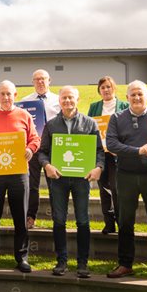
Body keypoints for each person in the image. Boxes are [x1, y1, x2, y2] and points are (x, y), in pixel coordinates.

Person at [105, 80, 147, 283]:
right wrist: (137, 151)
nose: (136, 98)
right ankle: (125, 264)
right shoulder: (117, 118)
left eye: (140, 94)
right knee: (125, 221)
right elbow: (111, 144)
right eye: (132, 94)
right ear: (126, 98)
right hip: (125, 175)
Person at [37, 86, 104, 278]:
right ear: (59, 100)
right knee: (59, 220)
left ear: (78, 99)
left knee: (83, 220)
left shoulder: (90, 123)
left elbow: (99, 150)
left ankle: (82, 263)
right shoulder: (51, 125)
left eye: (71, 98)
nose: (67, 101)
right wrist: (47, 165)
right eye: (64, 98)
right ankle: (61, 261)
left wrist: (98, 167)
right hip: (58, 179)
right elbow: (42, 152)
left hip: (82, 179)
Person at [0, 80, 40, 273]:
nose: (5, 97)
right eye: (2, 94)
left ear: (15, 95)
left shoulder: (24, 115)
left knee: (20, 216)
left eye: (9, 94)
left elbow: (35, 138)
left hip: (18, 172)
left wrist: (30, 148)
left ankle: (22, 258)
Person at [87, 76, 129, 234]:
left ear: (114, 88)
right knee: (103, 188)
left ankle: (121, 221)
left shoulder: (124, 106)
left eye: (108, 87)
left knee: (117, 189)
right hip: (101, 155)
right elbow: (90, 129)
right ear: (99, 90)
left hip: (117, 155)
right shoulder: (94, 107)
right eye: (103, 87)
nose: (106, 90)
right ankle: (108, 222)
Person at [22, 69, 61, 228]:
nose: (40, 82)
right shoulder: (25, 102)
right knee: (32, 184)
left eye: (43, 79)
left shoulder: (59, 100)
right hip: (33, 147)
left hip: (53, 147)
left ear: (49, 80)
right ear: (33, 82)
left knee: (55, 184)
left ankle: (57, 217)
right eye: (36, 79)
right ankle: (30, 217)